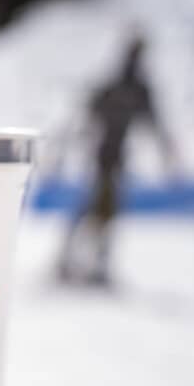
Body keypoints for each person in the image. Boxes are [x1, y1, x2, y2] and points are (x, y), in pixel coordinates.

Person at [58, 34, 176, 285]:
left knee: (104, 210)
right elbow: (88, 114)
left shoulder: (133, 89)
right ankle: (75, 261)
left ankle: (91, 263)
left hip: (114, 155)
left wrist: (166, 150)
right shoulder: (119, 87)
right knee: (95, 208)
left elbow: (154, 123)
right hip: (104, 154)